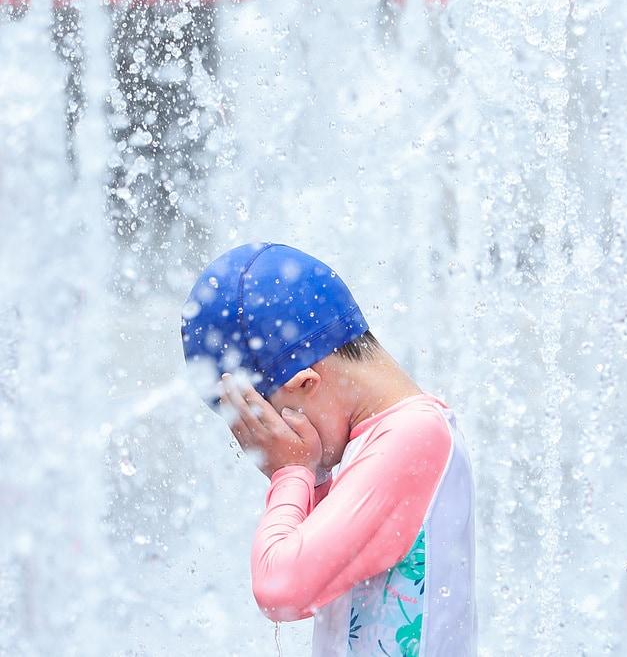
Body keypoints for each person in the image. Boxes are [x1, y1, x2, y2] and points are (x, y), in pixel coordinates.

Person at [182, 242, 476, 656]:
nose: (271, 441)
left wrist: (290, 473)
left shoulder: (416, 437)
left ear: (305, 383)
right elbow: (323, 577)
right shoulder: (388, 438)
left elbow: (280, 588)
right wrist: (313, 474)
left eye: (268, 421)